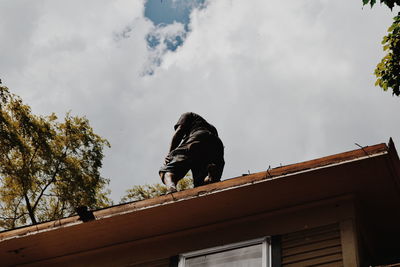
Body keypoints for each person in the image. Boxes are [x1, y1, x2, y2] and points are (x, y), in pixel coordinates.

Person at [159, 112, 225, 192]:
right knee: (200, 186)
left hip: (198, 138)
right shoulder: (211, 128)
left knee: (165, 171)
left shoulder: (188, 115)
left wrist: (170, 154)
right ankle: (211, 177)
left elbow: (179, 133)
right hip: (216, 145)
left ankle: (171, 188)